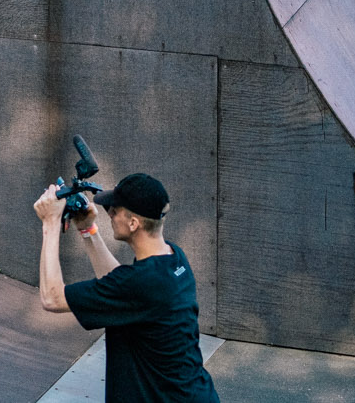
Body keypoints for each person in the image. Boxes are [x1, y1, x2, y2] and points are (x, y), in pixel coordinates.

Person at [36, 172, 220, 403]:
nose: (110, 213)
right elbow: (118, 284)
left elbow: (52, 298)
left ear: (133, 223)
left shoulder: (141, 283)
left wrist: (50, 223)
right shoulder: (172, 258)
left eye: (115, 210)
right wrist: (87, 229)